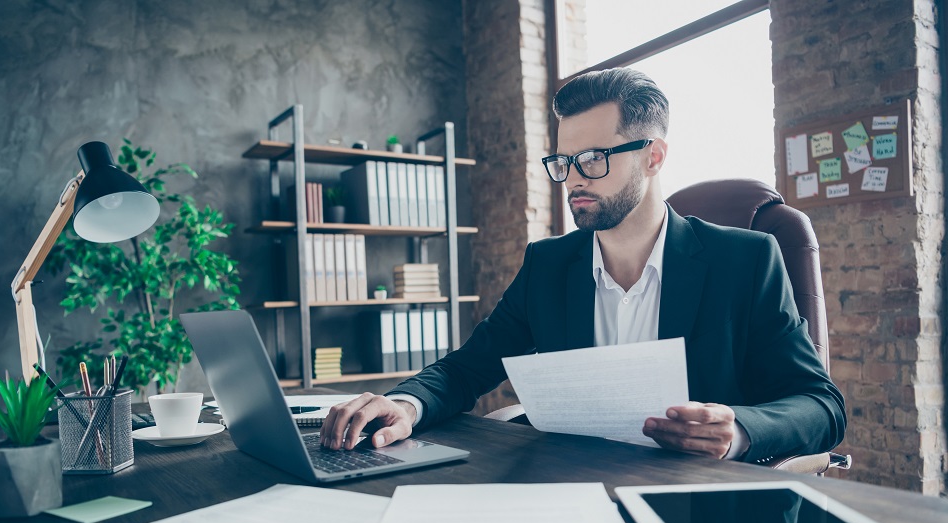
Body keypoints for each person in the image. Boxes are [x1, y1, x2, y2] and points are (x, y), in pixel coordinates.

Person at [321, 67, 846, 462]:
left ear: (653, 157)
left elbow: (821, 406)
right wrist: (407, 404)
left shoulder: (746, 259)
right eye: (563, 162)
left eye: (593, 159)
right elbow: (466, 368)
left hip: (697, 504)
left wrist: (740, 430)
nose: (573, 179)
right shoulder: (549, 264)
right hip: (572, 490)